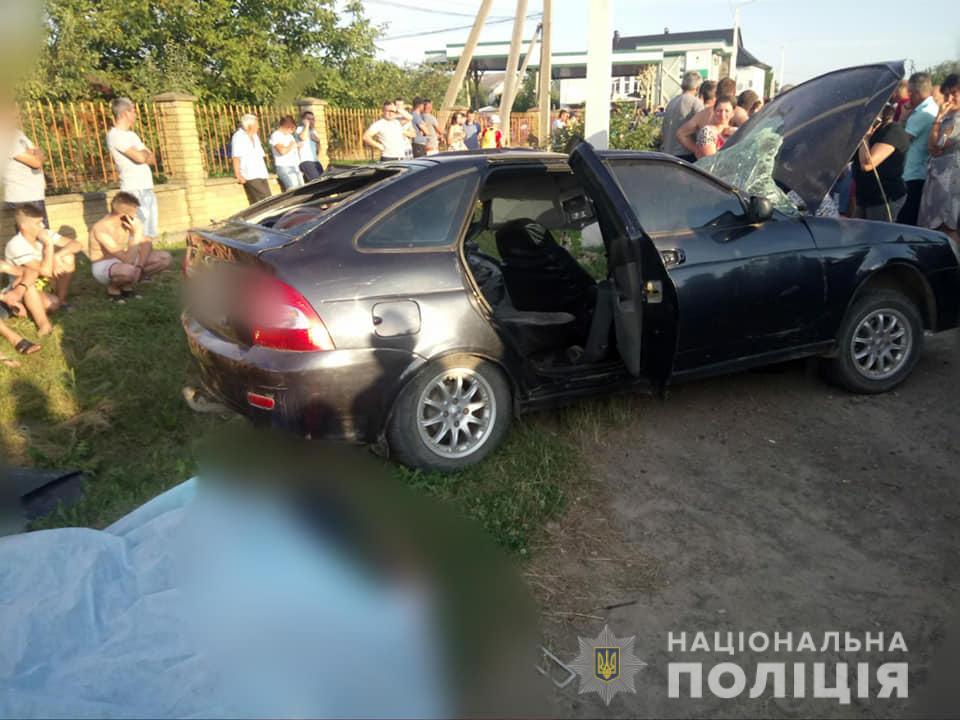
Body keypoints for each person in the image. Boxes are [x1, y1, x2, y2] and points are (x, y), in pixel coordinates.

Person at [3, 204, 79, 332]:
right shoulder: (16, 245)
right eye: (38, 223)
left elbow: (77, 245)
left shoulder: (44, 234)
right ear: (24, 226)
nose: (43, 226)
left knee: (68, 257)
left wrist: (58, 256)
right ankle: (33, 315)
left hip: (45, 283)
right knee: (50, 304)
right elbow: (45, 272)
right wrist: (49, 245)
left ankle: (61, 300)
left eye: (42, 221)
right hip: (23, 289)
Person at [89, 192, 171, 301]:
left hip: (124, 261)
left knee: (164, 258)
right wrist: (134, 235)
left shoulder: (129, 222)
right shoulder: (101, 228)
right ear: (123, 215)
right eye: (134, 213)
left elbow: (146, 243)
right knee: (129, 270)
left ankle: (127, 286)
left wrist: (140, 266)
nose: (135, 216)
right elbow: (127, 260)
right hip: (104, 264)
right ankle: (113, 288)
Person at [106, 97, 160, 247]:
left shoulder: (132, 135)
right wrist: (143, 154)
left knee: (149, 232)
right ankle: (135, 260)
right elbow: (140, 158)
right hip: (133, 189)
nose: (135, 115)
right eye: (133, 111)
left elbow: (152, 159)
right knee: (136, 232)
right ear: (125, 113)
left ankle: (147, 259)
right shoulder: (115, 136)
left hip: (146, 187)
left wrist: (144, 154)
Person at [918, 74, 960, 242]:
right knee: (935, 228)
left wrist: (938, 121)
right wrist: (938, 119)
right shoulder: (946, 118)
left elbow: (938, 146)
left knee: (949, 227)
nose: (949, 99)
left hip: (953, 181)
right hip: (938, 180)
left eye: (954, 93)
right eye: (947, 94)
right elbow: (931, 148)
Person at [853, 102, 911, 221]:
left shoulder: (893, 132)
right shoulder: (875, 130)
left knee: (876, 231)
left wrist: (865, 137)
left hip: (883, 198)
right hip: (865, 196)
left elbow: (868, 164)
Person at [897, 73, 939, 226]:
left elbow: (901, 140)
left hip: (913, 175)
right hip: (916, 172)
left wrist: (902, 117)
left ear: (915, 93)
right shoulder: (928, 109)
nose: (908, 97)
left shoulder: (922, 113)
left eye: (909, 93)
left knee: (905, 222)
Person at [4, 114, 48, 228]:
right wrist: (35, 155)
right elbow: (36, 162)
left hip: (32, 194)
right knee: (37, 233)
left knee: (41, 232)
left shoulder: (17, 134)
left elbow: (39, 153)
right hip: (23, 195)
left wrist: (35, 154)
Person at [660, 71, 704, 161]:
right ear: (698, 87)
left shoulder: (671, 102)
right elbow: (702, 130)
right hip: (686, 154)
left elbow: (664, 128)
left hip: (668, 153)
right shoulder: (695, 103)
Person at [231, 114, 271, 205]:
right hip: (250, 174)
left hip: (261, 173)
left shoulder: (255, 136)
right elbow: (236, 157)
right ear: (249, 126)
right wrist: (238, 175)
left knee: (268, 198)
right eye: (256, 124)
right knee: (263, 200)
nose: (258, 127)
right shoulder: (238, 137)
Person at [269, 116, 303, 192]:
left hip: (295, 166)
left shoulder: (289, 136)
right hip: (285, 167)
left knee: (302, 191)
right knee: (294, 191)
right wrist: (291, 145)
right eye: (292, 129)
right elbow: (282, 151)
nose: (292, 131)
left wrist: (297, 146)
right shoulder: (276, 135)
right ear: (288, 126)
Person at [295, 111, 324, 181]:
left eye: (312, 119)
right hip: (306, 161)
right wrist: (306, 125)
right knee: (317, 182)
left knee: (324, 181)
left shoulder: (314, 131)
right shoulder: (300, 129)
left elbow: (318, 151)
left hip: (315, 161)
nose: (311, 121)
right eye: (308, 119)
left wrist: (318, 142)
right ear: (303, 120)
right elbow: (303, 138)